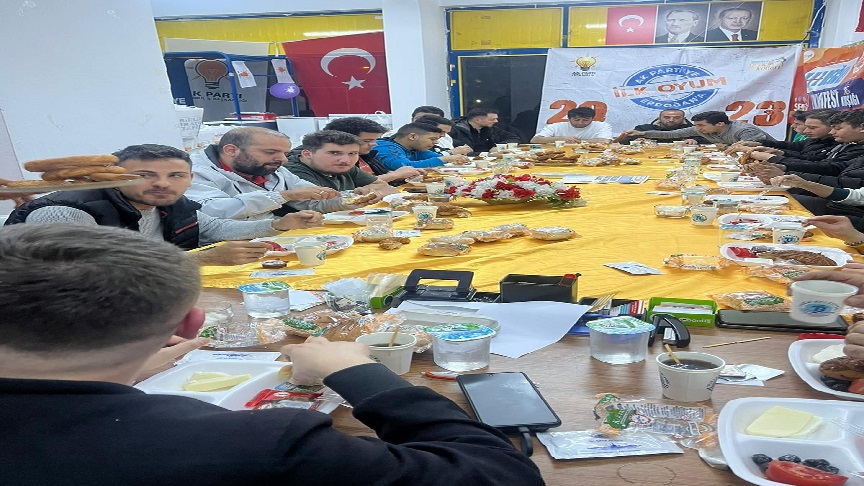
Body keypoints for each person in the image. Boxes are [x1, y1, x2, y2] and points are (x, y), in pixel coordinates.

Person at [0, 223, 545, 486]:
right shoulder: (252, 445)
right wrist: (358, 372)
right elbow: (499, 476)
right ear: (189, 324)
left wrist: (125, 368)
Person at [4, 144, 323, 266]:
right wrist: (200, 260)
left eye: (175, 175)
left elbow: (214, 228)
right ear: (114, 177)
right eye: (145, 175)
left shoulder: (171, 203)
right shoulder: (66, 212)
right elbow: (85, 273)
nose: (163, 184)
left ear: (189, 178)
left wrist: (278, 225)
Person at [186, 127, 366, 220]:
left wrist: (350, 200)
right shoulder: (194, 172)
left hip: (275, 237)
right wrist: (284, 196)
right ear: (231, 150)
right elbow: (211, 211)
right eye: (271, 152)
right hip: (227, 249)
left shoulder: (272, 169)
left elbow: (312, 200)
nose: (283, 159)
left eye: (285, 153)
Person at [746, 110, 864, 215]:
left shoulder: (854, 148)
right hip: (836, 196)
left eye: (838, 128)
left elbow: (843, 180)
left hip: (848, 207)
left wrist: (787, 172)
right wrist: (782, 165)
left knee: (769, 202)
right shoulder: (848, 145)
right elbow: (834, 167)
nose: (831, 132)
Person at [283, 131, 397, 199]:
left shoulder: (343, 165)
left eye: (352, 153)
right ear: (307, 154)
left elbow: (385, 187)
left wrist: (366, 190)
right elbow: (322, 203)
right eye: (334, 153)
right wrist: (362, 194)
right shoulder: (292, 171)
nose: (345, 160)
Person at [320, 117, 423, 184]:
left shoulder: (368, 156)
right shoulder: (339, 162)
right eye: (367, 141)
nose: (374, 144)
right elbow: (356, 187)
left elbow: (382, 176)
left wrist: (405, 174)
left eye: (374, 140)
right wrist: (395, 175)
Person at [726, 109, 840, 163]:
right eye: (806, 126)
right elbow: (793, 146)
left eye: (812, 128)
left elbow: (815, 162)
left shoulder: (839, 145)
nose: (806, 131)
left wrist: (777, 155)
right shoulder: (816, 139)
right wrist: (759, 144)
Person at [621, 110, 775, 146]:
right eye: (696, 126)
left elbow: (753, 149)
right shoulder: (699, 129)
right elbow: (671, 135)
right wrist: (642, 133)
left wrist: (726, 148)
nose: (698, 129)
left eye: (701, 125)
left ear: (720, 124)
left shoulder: (743, 131)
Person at [374, 122, 469, 170]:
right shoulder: (386, 148)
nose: (436, 143)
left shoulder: (414, 148)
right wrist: (444, 159)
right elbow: (405, 167)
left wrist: (451, 158)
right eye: (432, 139)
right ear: (412, 136)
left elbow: (437, 157)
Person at [450, 107, 521, 154]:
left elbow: (514, 138)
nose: (496, 121)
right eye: (492, 119)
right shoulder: (454, 130)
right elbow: (464, 151)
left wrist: (497, 146)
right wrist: (489, 154)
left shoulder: (491, 128)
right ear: (477, 120)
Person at [621, 109, 708, 144]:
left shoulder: (694, 128)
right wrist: (636, 141)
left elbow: (710, 139)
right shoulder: (643, 128)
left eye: (676, 117)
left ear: (683, 118)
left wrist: (695, 140)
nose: (671, 120)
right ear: (659, 118)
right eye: (667, 117)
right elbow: (623, 141)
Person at [531, 107, 613, 144]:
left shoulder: (602, 126)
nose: (580, 123)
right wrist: (560, 139)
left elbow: (605, 141)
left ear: (592, 119)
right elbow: (535, 140)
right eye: (576, 120)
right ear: (569, 119)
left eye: (585, 120)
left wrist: (579, 142)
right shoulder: (555, 126)